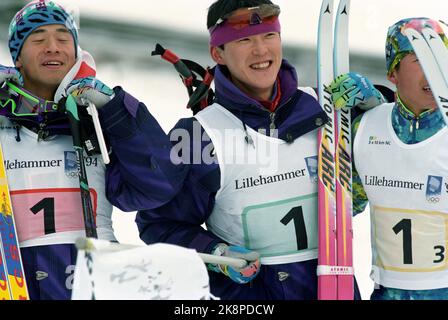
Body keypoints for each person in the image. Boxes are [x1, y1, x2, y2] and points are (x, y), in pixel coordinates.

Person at [136, 0, 384, 300]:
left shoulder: (324, 105)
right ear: (218, 53)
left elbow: (398, 158)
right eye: (244, 40)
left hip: (336, 287)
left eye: (269, 36)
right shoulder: (200, 135)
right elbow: (159, 223)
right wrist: (216, 253)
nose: (261, 50)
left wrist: (376, 112)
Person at [0, 0, 184, 300]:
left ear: (75, 52)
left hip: (94, 286)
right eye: (38, 39)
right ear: (17, 57)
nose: (52, 47)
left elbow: (157, 187)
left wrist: (115, 109)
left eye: (63, 38)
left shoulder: (98, 119)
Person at [335, 17, 448, 300]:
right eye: (419, 60)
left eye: (439, 60)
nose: (433, 72)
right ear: (393, 73)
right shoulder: (366, 128)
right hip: (387, 292)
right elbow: (340, 209)